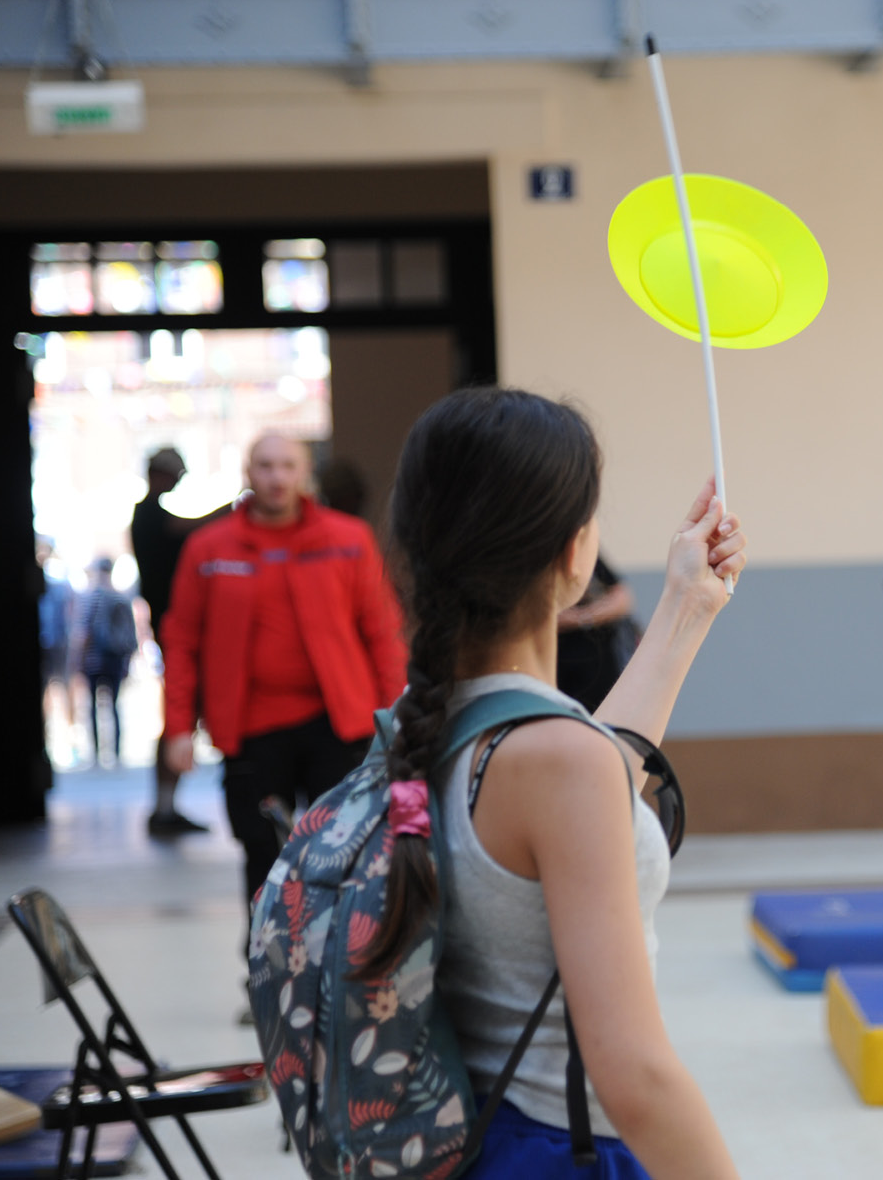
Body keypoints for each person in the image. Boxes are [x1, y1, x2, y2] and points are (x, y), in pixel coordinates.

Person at [373, 387, 747, 1177]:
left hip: (475, 1136)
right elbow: (636, 1077)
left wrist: (686, 608)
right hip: (563, 1151)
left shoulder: (422, 723)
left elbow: (585, 770)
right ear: (574, 553)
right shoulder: (555, 759)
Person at [161, 433, 408, 914]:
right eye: (266, 466)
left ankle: (341, 969)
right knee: (263, 856)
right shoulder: (209, 548)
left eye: (287, 466)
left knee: (346, 854)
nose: (277, 477)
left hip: (337, 727)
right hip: (251, 731)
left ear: (304, 472)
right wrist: (177, 728)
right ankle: (266, 973)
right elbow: (182, 641)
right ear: (249, 474)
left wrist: (396, 717)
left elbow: (383, 632)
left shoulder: (347, 539)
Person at [130, 446, 229, 835]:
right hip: (175, 630)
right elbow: (184, 528)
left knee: (183, 713)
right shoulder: (149, 514)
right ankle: (165, 807)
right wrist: (226, 510)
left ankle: (167, 806)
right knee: (180, 713)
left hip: (176, 627)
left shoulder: (153, 514)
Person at [555, 555, 638, 712]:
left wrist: (583, 618)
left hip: (598, 659)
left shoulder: (580, 546)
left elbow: (622, 598)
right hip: (558, 664)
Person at [76, 557, 137, 768]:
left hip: (96, 661)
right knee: (113, 706)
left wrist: (78, 661)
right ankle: (116, 755)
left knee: (94, 707)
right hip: (115, 660)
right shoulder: (122, 597)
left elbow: (83, 633)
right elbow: (131, 635)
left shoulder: (91, 597)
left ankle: (96, 756)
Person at [36, 537, 77, 758]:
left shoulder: (58, 579)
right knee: (49, 690)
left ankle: (70, 736)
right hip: (50, 640)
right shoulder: (58, 580)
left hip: (58, 641)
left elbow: (70, 613)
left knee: (64, 686)